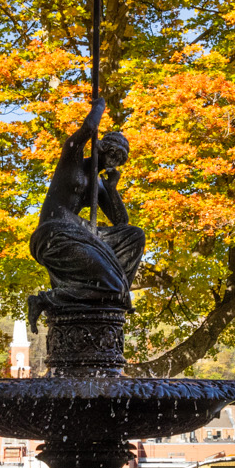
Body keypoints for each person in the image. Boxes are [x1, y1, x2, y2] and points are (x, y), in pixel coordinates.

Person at [26, 97, 146, 327]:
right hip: (55, 232)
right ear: (100, 145)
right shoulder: (73, 161)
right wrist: (99, 106)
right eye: (114, 151)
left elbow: (122, 222)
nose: (116, 159)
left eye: (121, 158)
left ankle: (107, 298)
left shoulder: (99, 185)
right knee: (113, 287)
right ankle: (47, 300)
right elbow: (88, 128)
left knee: (135, 235)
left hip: (80, 233)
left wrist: (111, 189)